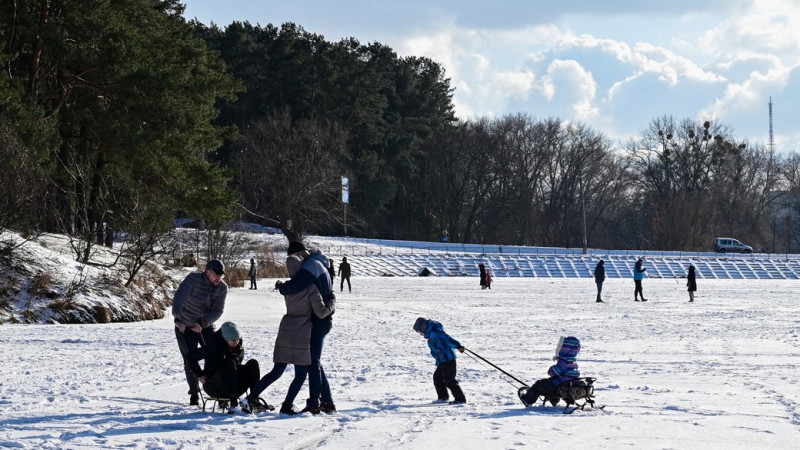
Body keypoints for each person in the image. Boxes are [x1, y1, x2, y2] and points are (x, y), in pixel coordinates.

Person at [245, 254, 335, 415]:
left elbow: (286, 289)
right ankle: (287, 405)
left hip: (285, 330)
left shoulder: (288, 288)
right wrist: (332, 302)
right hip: (302, 333)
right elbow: (321, 313)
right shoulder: (310, 288)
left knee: (276, 371)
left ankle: (250, 398)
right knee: (300, 374)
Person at [277, 241, 337, 414]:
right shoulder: (321, 263)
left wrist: (282, 287)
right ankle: (327, 402)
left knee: (313, 363)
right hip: (322, 319)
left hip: (320, 319)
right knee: (315, 362)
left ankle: (313, 404)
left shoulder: (311, 265)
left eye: (294, 257)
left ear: (300, 252)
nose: (295, 261)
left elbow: (296, 285)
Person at [173, 259, 228, 406]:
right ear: (208, 272)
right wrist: (177, 319)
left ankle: (219, 391)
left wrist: (203, 323)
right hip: (184, 325)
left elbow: (218, 310)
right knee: (190, 358)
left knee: (215, 354)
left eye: (221, 276)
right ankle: (194, 393)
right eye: (216, 275)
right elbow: (179, 297)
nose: (219, 278)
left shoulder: (222, 288)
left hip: (205, 325)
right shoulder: (193, 279)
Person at [186, 322, 262, 413]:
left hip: (233, 385)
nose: (236, 342)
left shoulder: (238, 347)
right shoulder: (214, 346)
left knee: (253, 363)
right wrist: (200, 374)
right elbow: (190, 357)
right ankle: (233, 404)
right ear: (225, 339)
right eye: (233, 340)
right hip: (214, 385)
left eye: (237, 339)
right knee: (229, 363)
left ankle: (253, 400)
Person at [413, 317, 467, 404]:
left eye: (420, 331)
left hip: (448, 359)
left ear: (423, 327)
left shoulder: (435, 333)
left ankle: (460, 399)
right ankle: (443, 397)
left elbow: (447, 339)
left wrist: (458, 346)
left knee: (449, 380)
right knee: (437, 378)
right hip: (442, 361)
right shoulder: (431, 334)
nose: (420, 334)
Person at [519, 336, 581, 407]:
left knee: (538, 385)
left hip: (558, 387)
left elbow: (554, 372)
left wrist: (551, 369)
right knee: (552, 381)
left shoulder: (564, 362)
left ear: (564, 349)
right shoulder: (572, 362)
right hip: (565, 385)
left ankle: (527, 400)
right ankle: (554, 400)